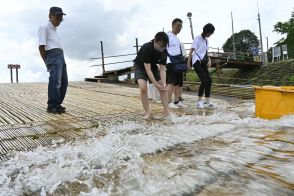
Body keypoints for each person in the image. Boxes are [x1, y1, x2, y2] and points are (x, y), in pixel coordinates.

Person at [134, 32, 171, 119]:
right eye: (160, 45)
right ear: (155, 41)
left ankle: (167, 112)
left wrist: (164, 83)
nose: (162, 48)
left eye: (164, 46)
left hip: (153, 67)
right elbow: (148, 70)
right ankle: (147, 112)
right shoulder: (146, 48)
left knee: (163, 87)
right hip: (140, 66)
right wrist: (155, 84)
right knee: (143, 88)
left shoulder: (164, 51)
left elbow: (162, 69)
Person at [38, 7, 68, 114]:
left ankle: (57, 104)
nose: (59, 21)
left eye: (61, 19)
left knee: (64, 82)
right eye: (57, 18)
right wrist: (46, 62)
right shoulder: (44, 27)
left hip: (60, 55)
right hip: (53, 55)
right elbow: (41, 47)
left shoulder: (54, 29)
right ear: (50, 16)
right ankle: (51, 106)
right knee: (55, 82)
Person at [187, 23, 215, 108]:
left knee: (209, 80)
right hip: (196, 61)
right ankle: (199, 101)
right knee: (204, 80)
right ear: (206, 31)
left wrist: (209, 60)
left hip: (203, 62)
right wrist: (188, 63)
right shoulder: (197, 38)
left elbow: (206, 52)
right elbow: (191, 51)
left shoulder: (206, 40)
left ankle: (207, 101)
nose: (211, 34)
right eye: (210, 32)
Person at [166, 18, 187, 108]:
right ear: (173, 25)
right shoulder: (167, 36)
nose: (180, 27)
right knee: (171, 82)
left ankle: (177, 101)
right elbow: (163, 48)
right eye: (178, 25)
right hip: (170, 61)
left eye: (181, 26)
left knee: (179, 82)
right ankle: (169, 102)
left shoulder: (177, 39)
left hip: (178, 62)